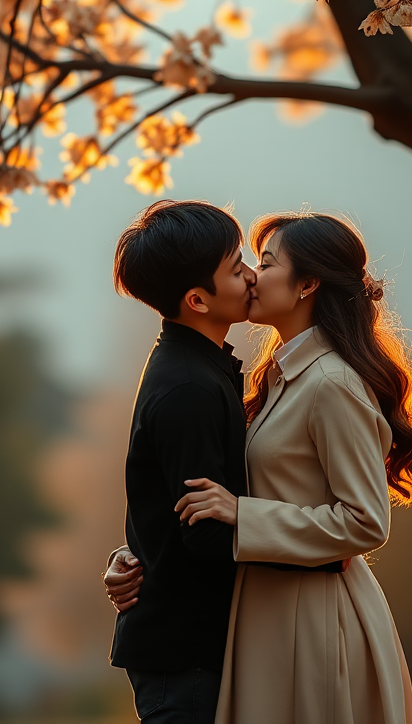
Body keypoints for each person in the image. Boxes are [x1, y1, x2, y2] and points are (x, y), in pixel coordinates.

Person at [106, 211, 412, 724]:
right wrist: (141, 556)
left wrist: (242, 516)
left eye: (263, 263)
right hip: (266, 615)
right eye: (243, 263)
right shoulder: (276, 379)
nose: (250, 275)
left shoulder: (331, 383)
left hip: (312, 617)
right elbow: (188, 490)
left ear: (307, 284)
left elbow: (365, 520)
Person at [106, 199, 256, 724]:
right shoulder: (189, 387)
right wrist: (318, 549)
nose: (252, 276)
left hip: (190, 645)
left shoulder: (197, 368)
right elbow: (204, 530)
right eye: (237, 269)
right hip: (185, 653)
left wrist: (131, 551)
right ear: (197, 299)